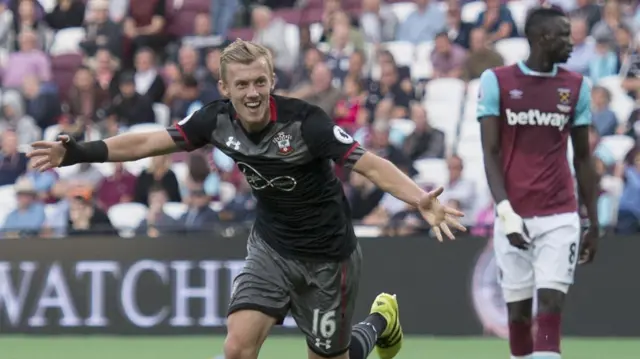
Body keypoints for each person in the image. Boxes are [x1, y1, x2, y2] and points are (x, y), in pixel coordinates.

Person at [28, 39, 466, 359]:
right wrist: (79, 152)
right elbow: (148, 144)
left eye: (260, 81)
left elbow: (367, 163)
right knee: (237, 348)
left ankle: (380, 322)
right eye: (242, 84)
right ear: (225, 87)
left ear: (273, 80)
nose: (253, 92)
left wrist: (419, 199)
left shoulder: (306, 122)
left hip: (329, 257)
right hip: (272, 248)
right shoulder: (214, 120)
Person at [476, 7, 599, 359]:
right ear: (541, 38)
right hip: (512, 212)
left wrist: (592, 222)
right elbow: (490, 152)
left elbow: (583, 159)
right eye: (562, 35)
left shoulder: (577, 87)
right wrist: (505, 211)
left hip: (560, 214)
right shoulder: (496, 81)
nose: (570, 42)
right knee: (517, 313)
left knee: (550, 304)